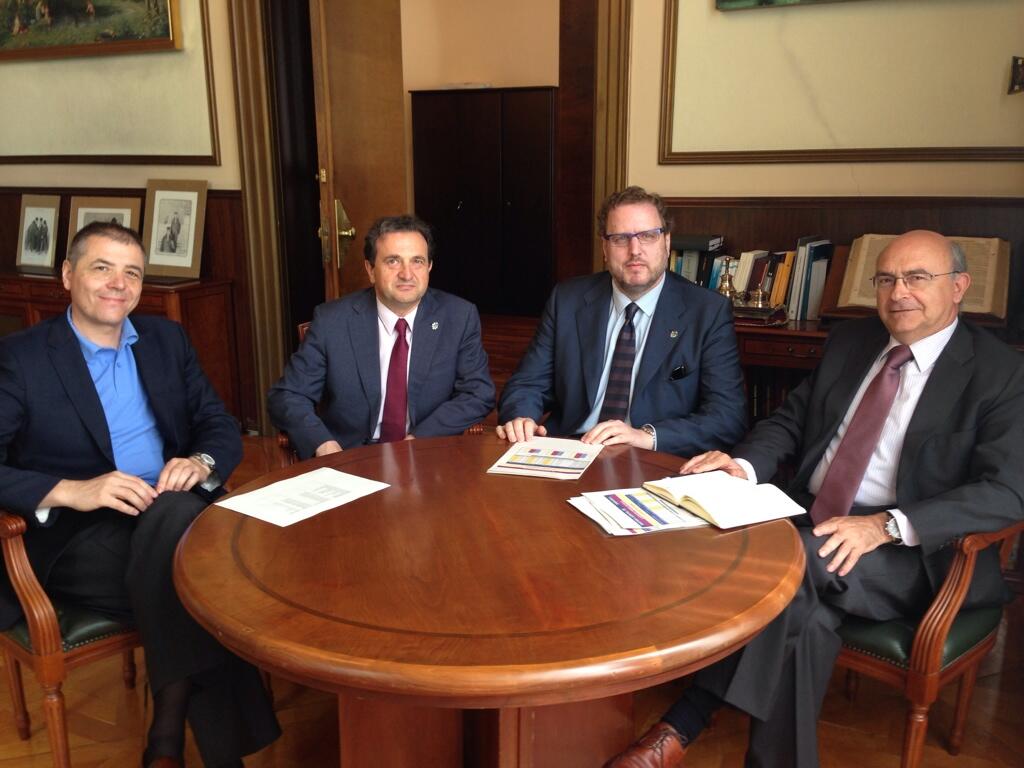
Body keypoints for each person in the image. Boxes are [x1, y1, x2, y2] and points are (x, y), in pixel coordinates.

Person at [605, 229, 1024, 768]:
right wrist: (743, 467)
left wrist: (885, 525)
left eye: (918, 278)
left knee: (791, 561)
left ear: (959, 286)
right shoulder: (853, 341)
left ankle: (681, 725)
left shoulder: (1001, 373)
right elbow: (790, 420)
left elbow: (1007, 491)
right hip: (812, 514)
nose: (899, 293)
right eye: (887, 279)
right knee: (796, 613)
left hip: (915, 551)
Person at [0, 222, 280, 768]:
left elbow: (218, 424)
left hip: (172, 510)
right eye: (102, 268)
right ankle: (202, 748)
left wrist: (200, 462)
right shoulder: (21, 357)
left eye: (132, 272)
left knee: (178, 526)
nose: (118, 283)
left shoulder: (166, 340)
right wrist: (75, 490)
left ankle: (165, 739)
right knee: (211, 579)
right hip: (80, 534)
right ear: (67, 276)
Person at [496, 185, 746, 455]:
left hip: (650, 456)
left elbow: (727, 417)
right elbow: (527, 383)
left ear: (666, 242)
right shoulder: (567, 299)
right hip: (570, 448)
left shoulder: (707, 312)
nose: (634, 250)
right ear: (605, 247)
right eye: (620, 239)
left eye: (648, 236)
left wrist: (646, 436)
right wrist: (521, 417)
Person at [268, 214, 495, 457]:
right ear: (370, 269)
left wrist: (418, 441)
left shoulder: (459, 317)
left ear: (429, 267)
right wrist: (324, 445)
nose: (407, 274)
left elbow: (477, 393)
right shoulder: (332, 321)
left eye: (417, 261)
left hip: (426, 455)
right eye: (393, 261)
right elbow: (287, 396)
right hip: (348, 458)